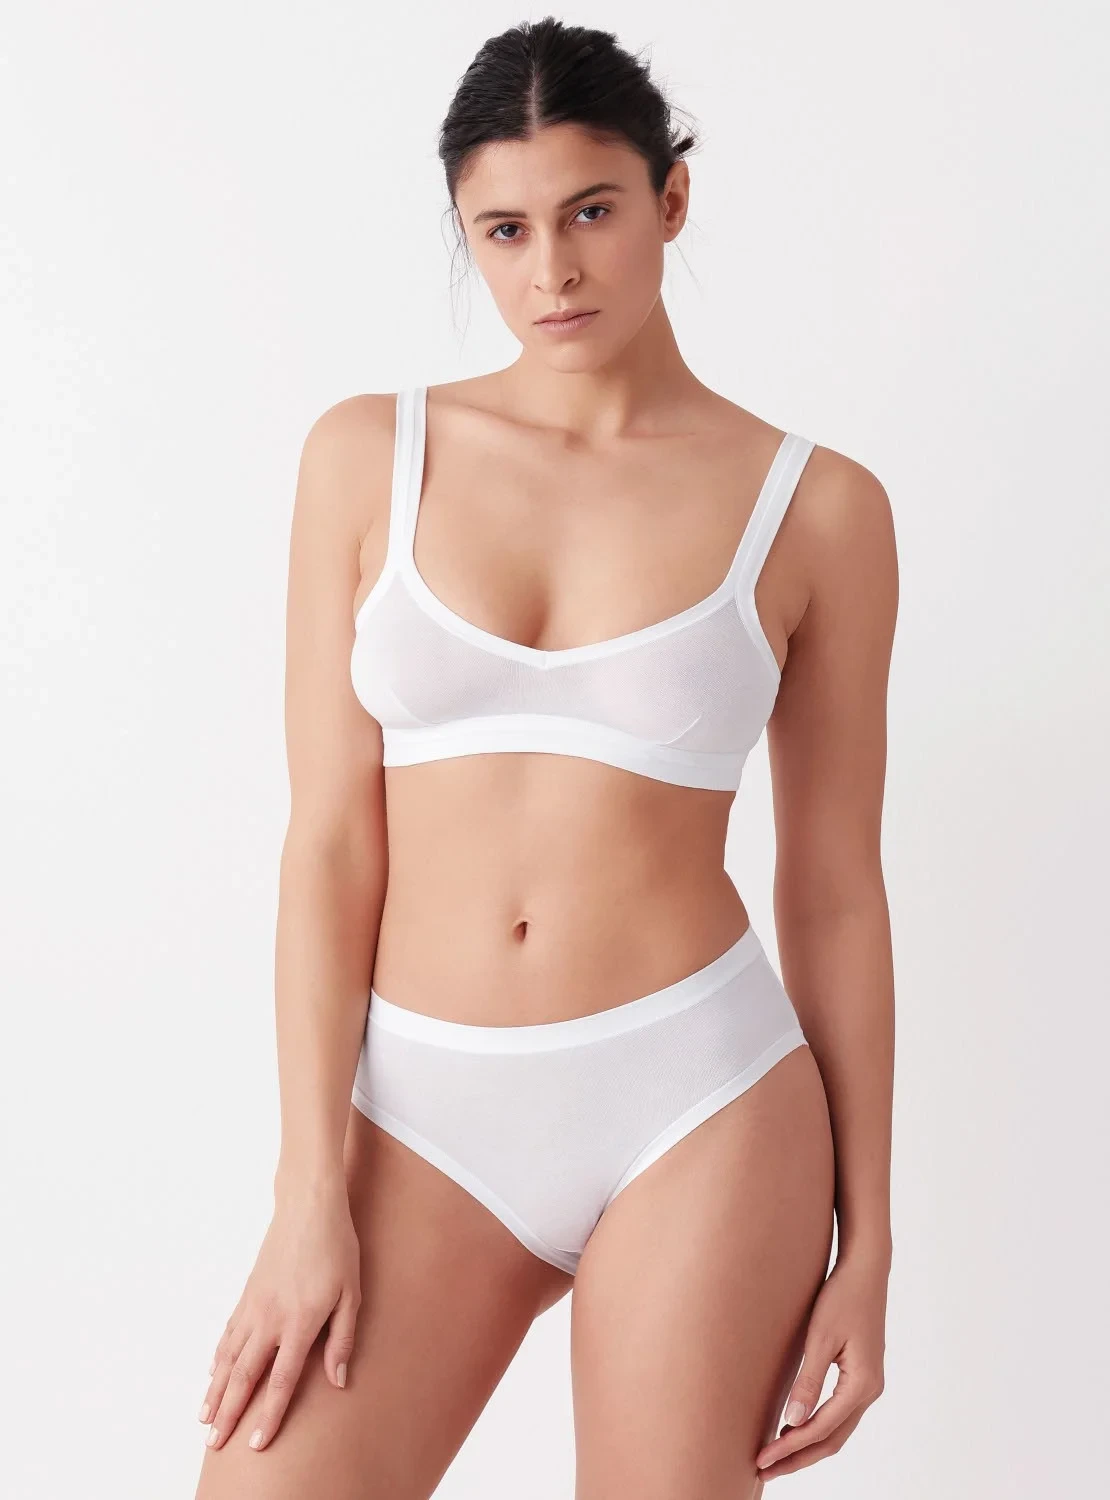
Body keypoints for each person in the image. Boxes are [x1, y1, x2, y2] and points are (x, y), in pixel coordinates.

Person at [194, 16, 897, 1499]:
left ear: (670, 200)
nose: (553, 271)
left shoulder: (818, 508)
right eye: (504, 231)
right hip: (419, 1112)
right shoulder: (362, 457)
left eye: (591, 211)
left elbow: (834, 888)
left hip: (700, 1100)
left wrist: (871, 1243)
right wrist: (306, 1190)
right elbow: (329, 841)